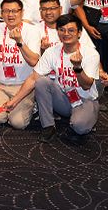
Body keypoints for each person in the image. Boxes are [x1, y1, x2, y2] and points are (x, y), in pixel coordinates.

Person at [20, 14, 102, 143]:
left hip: (85, 99)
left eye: (71, 30)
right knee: (42, 82)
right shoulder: (52, 51)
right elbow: (33, 78)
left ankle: (86, 118)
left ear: (79, 33)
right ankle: (48, 127)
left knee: (79, 127)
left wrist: (78, 68)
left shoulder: (90, 53)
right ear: (58, 32)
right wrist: (14, 102)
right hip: (64, 97)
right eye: (62, 30)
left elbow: (86, 85)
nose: (66, 34)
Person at [0, 0, 42, 129]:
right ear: (1, 13)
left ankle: (29, 105)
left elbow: (34, 61)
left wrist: (19, 41)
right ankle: (8, 108)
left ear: (21, 12)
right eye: (6, 11)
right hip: (2, 85)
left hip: (23, 86)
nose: (10, 15)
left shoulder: (32, 31)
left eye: (14, 11)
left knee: (18, 123)